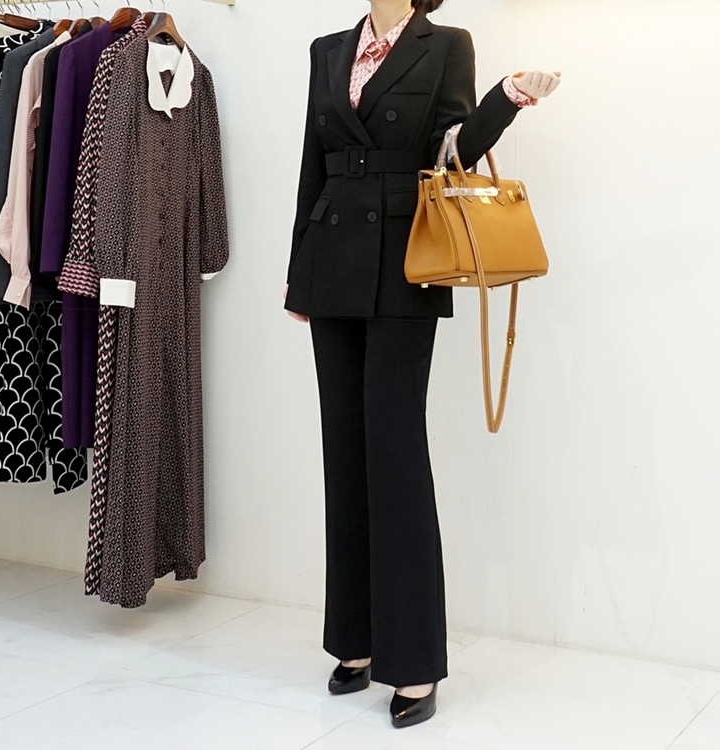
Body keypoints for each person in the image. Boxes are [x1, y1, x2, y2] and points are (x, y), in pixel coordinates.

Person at [283, 0, 561, 729]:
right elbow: (312, 164)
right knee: (344, 449)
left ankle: (413, 661)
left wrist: (507, 99)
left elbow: (452, 152)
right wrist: (298, 278)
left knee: (396, 452)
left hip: (406, 261)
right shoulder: (327, 48)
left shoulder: (446, 44)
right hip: (331, 260)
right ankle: (355, 639)